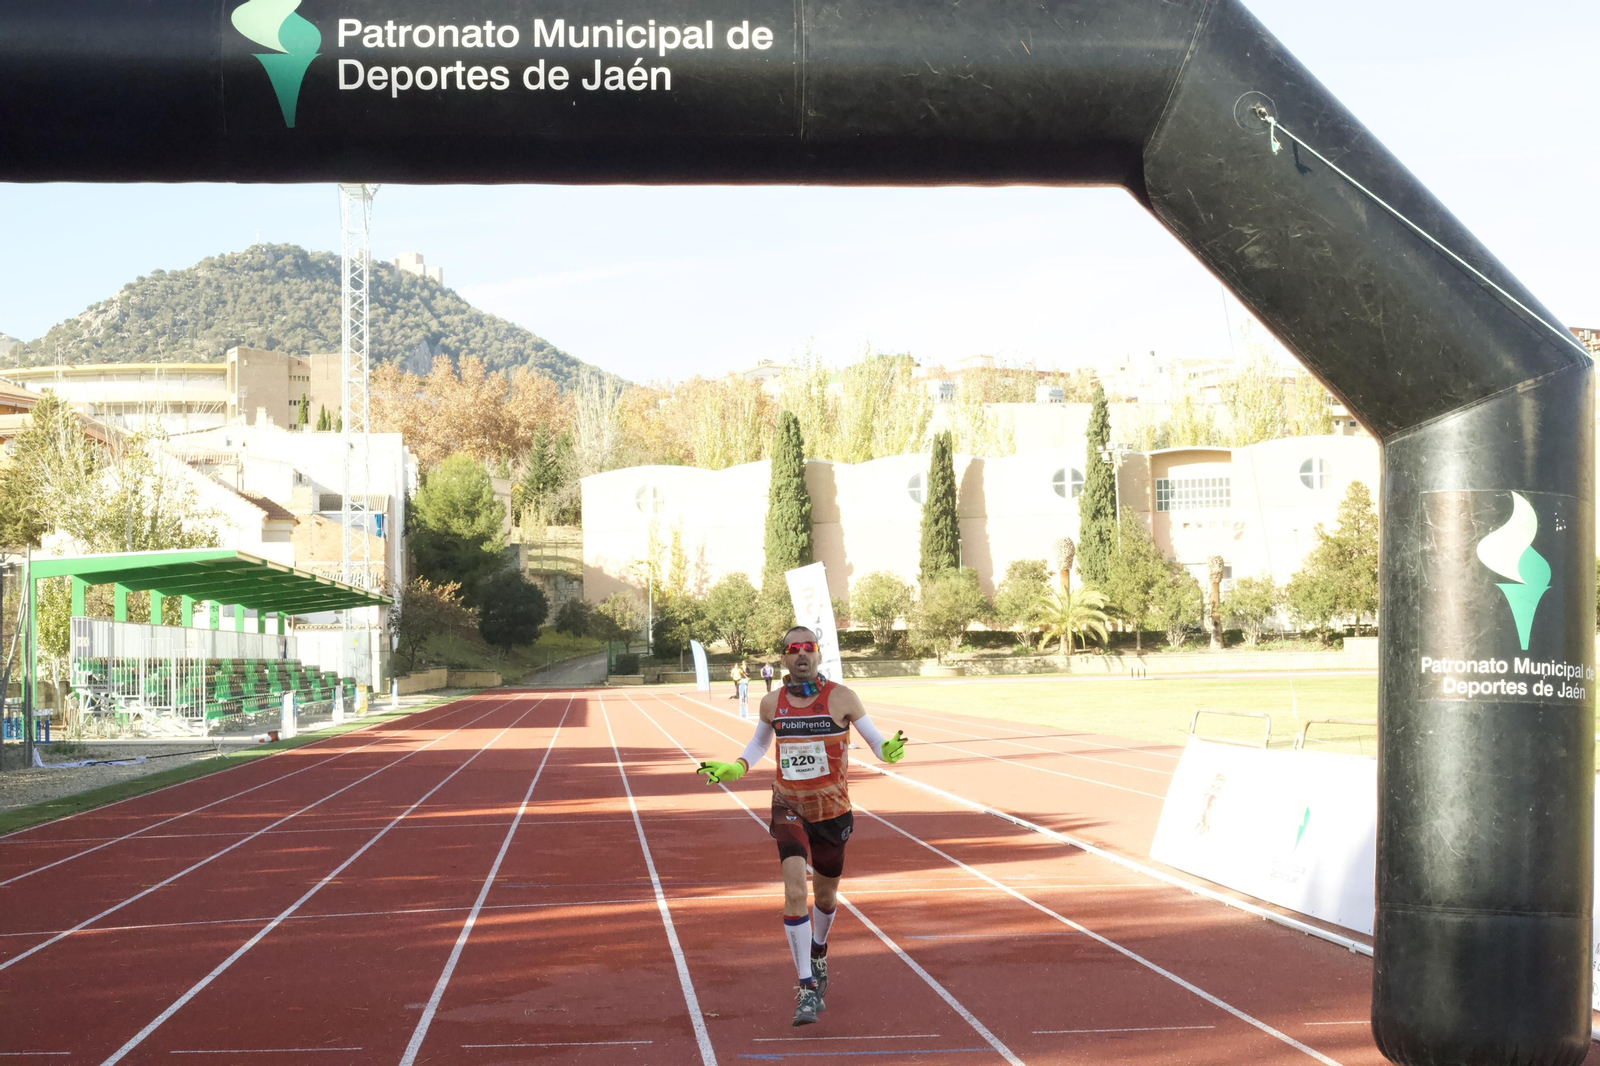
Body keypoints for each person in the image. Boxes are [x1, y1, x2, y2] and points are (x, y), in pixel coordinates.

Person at [696, 626, 908, 1026]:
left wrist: (888, 750)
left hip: (833, 812)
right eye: (793, 649)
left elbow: (877, 741)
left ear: (818, 655)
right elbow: (760, 743)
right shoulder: (771, 702)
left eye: (808, 647)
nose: (802, 654)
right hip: (788, 805)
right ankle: (807, 988)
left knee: (825, 899)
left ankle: (819, 949)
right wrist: (736, 766)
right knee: (795, 891)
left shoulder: (843, 697)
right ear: (783, 659)